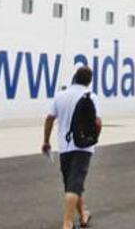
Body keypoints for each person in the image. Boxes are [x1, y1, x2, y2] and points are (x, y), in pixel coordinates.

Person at [41, 66, 102, 229]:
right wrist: (93, 139)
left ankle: (83, 214)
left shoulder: (60, 96)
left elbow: (49, 119)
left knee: (71, 184)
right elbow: (97, 123)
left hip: (64, 148)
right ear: (89, 81)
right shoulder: (91, 96)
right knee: (74, 185)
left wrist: (46, 141)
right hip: (83, 147)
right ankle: (67, 222)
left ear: (74, 77)